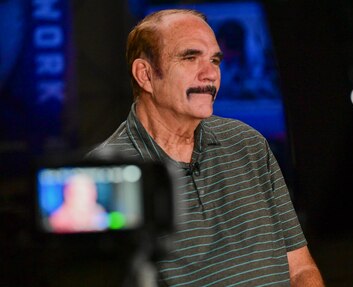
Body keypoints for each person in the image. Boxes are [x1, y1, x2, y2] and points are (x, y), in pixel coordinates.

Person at [87, 9, 324, 286]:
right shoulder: (108, 172)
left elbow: (300, 270)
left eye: (215, 60)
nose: (211, 73)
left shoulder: (248, 144)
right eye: (190, 58)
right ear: (145, 75)